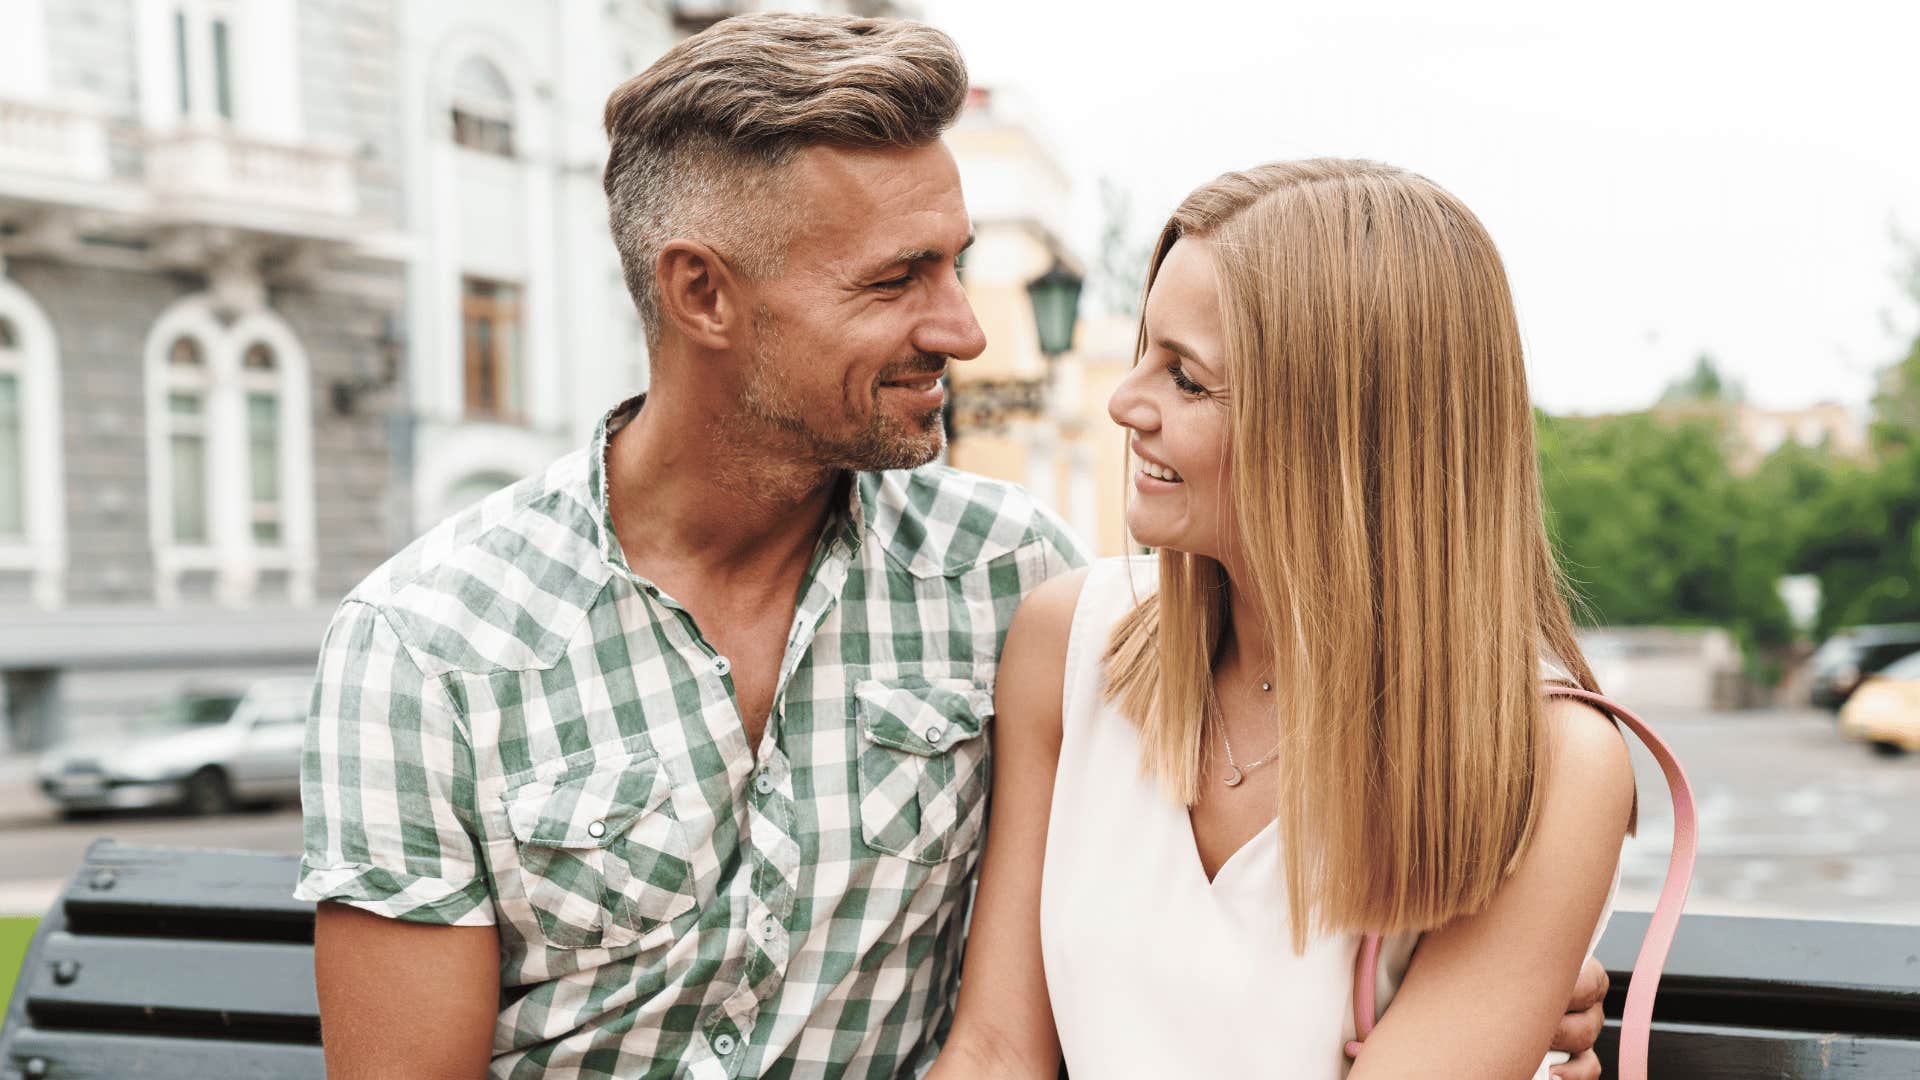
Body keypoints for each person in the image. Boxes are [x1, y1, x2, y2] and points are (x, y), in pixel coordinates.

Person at [295, 14, 1611, 1079]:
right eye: (896, 279)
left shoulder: (1015, 586)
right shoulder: (428, 647)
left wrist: (1490, 977)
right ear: (702, 293)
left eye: (959, 262)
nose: (965, 330)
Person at [932, 160, 1636, 1080]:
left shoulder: (1548, 763)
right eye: (1144, 351)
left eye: (1186, 379)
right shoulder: (1069, 644)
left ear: (1340, 432)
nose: (1123, 402)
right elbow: (993, 1054)